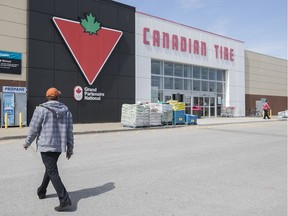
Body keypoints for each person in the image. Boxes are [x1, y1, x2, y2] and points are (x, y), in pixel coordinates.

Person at [23, 87, 74, 212]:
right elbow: (69, 131)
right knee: (50, 168)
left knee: (52, 170)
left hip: (46, 146)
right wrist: (70, 148)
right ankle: (42, 191)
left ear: (47, 97)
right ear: (58, 97)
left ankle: (65, 200)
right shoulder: (66, 111)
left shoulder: (41, 110)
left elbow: (34, 128)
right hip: (58, 146)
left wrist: (27, 142)